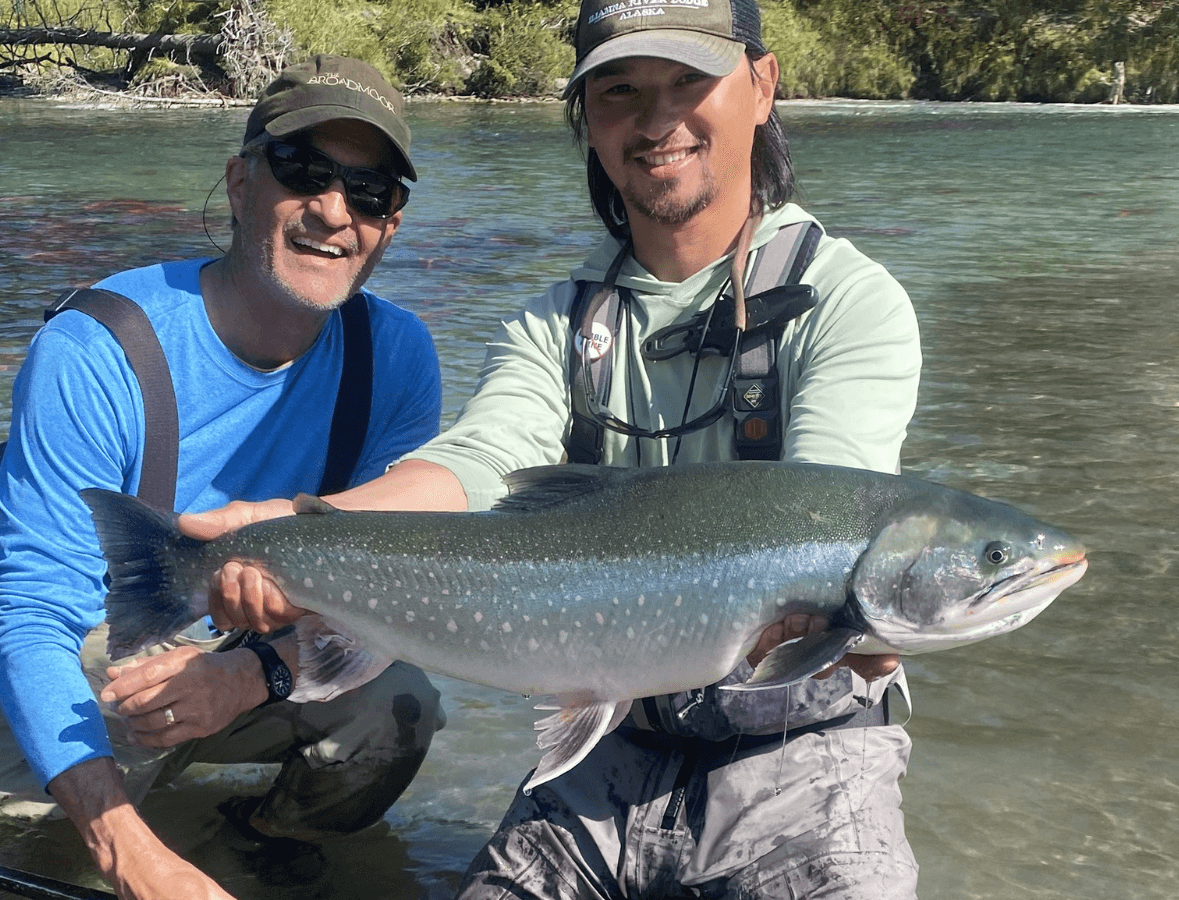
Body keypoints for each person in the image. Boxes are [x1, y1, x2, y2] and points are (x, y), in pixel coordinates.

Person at [183, 0, 924, 894]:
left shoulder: (848, 302)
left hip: (798, 751)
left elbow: (830, 506)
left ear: (761, 87)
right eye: (619, 92)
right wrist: (299, 527)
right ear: (587, 122)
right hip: (605, 744)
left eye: (689, 83)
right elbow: (475, 461)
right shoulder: (554, 325)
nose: (655, 122)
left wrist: (867, 632)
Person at [0, 55, 446, 900]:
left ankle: (259, 842)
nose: (332, 211)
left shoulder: (397, 357)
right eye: (304, 172)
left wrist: (251, 674)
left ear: (390, 224)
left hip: (254, 645)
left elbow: (387, 593)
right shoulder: (96, 349)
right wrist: (134, 860)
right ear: (240, 183)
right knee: (18, 847)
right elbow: (32, 615)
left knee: (397, 702)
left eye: (370, 191)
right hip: (86, 636)